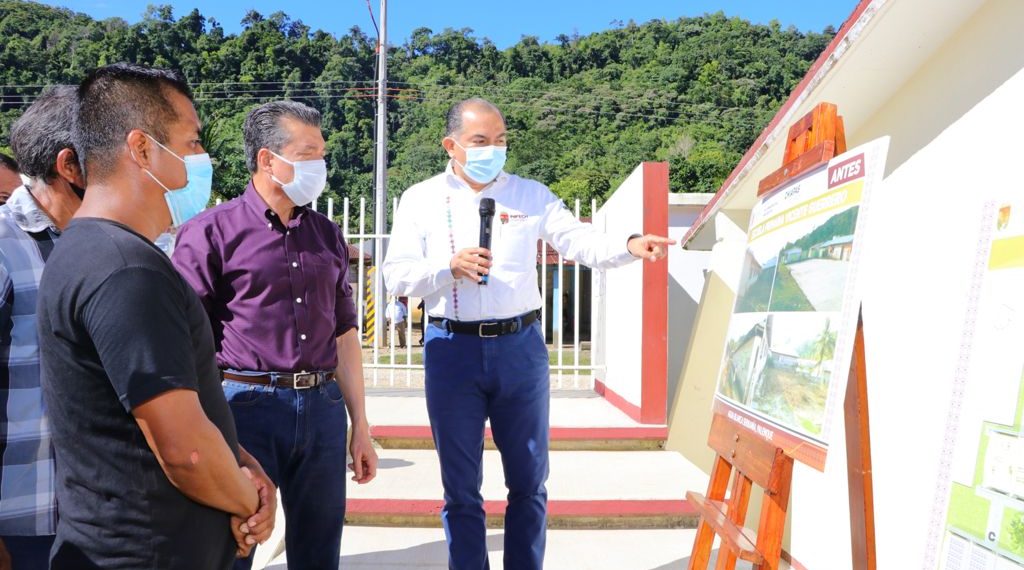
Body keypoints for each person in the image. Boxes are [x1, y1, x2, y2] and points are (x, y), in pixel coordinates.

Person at [382, 98, 675, 570]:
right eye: (480, 141)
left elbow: (578, 241)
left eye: (500, 141)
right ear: (451, 145)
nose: (493, 150)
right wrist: (446, 268)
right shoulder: (420, 198)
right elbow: (396, 275)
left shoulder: (531, 195)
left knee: (529, 482)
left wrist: (628, 245)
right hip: (450, 349)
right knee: (459, 487)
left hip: (520, 351)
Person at [36, 63, 275, 569]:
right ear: (142, 149)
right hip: (148, 551)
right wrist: (248, 501)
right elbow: (184, 449)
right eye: (191, 142)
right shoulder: (126, 270)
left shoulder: (88, 249)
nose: (201, 160)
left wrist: (241, 468)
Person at [172, 100, 378, 570]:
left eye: (321, 153)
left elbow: (345, 332)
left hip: (323, 410)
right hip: (245, 407)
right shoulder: (211, 233)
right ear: (268, 159)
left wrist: (360, 425)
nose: (320, 166)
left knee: (319, 549)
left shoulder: (326, 233)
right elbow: (186, 339)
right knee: (233, 544)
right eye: (308, 154)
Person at [0, 85, 84, 570]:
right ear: (70, 167)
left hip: (99, 518)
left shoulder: (116, 243)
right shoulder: (7, 246)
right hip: (22, 524)